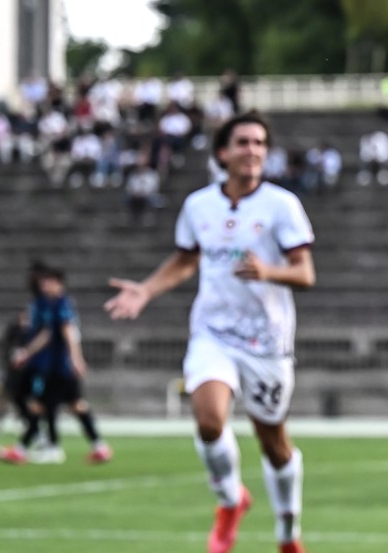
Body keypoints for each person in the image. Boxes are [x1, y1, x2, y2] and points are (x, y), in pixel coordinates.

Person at [105, 110, 315, 553]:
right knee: (208, 419)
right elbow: (185, 261)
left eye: (260, 143)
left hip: (266, 342)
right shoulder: (199, 205)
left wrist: (267, 271)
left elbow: (305, 274)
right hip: (213, 333)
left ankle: (287, 533)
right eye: (243, 142)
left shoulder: (282, 206)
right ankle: (230, 500)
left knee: (274, 444)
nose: (253, 150)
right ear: (223, 152)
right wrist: (145, 290)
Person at [0, 266, 112, 465]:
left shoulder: (61, 304)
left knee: (40, 406)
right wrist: (28, 352)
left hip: (58, 366)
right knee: (74, 405)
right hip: (57, 365)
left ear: (59, 283)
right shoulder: (54, 304)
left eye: (48, 282)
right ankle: (98, 446)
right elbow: (49, 334)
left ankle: (33, 448)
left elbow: (68, 331)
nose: (43, 286)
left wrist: (76, 358)